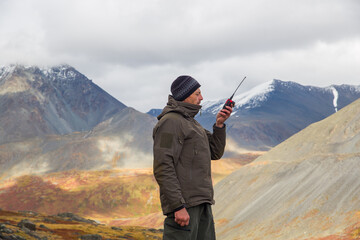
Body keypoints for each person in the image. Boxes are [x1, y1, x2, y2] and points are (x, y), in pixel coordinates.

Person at [153, 75, 232, 239]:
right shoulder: (170, 123)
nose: (201, 97)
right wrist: (177, 206)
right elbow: (163, 165)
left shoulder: (191, 123)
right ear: (184, 95)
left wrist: (219, 125)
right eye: (197, 93)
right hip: (184, 207)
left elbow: (215, 152)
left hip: (201, 203)